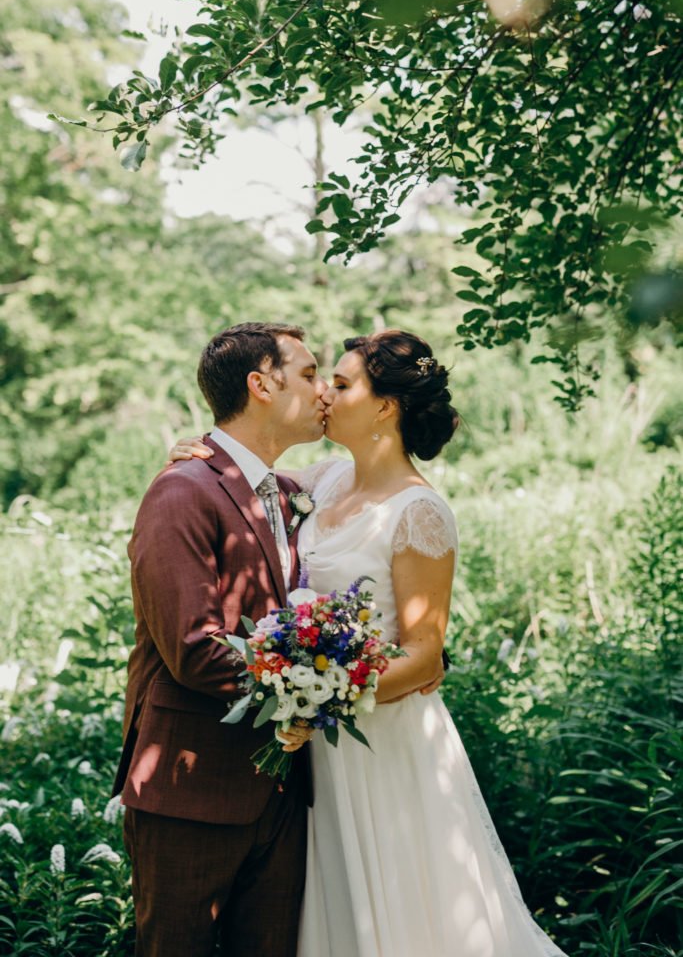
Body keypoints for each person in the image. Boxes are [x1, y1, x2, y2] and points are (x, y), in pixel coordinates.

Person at [170, 329, 568, 957]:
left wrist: (315, 696)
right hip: (318, 754)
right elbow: (245, 471)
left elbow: (424, 655)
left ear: (385, 407)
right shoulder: (323, 482)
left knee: (406, 910)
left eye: (344, 382)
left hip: (381, 743)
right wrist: (199, 450)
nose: (326, 391)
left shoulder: (420, 512)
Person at [113, 321, 327, 957]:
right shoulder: (182, 490)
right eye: (311, 375)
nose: (324, 393)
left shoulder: (291, 494)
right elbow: (193, 645)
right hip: (191, 787)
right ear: (261, 384)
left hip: (283, 791)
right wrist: (312, 698)